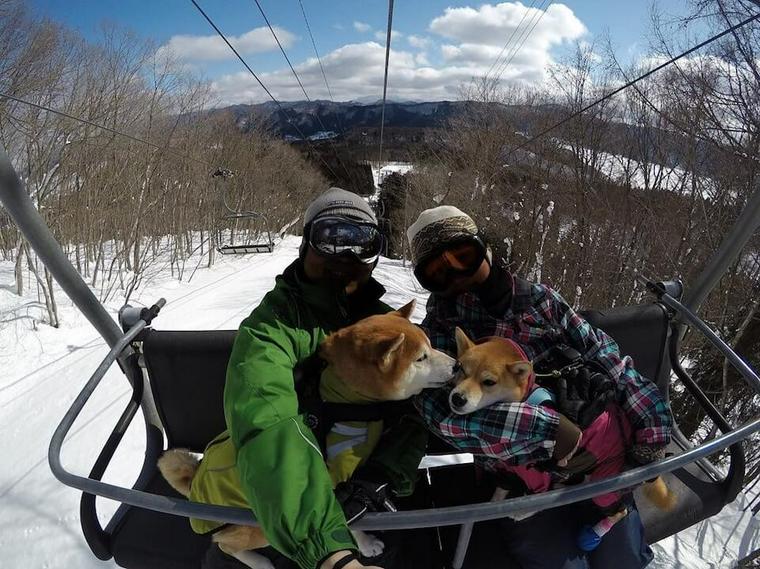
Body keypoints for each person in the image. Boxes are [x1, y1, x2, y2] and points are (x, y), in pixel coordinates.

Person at [407, 205, 673, 569]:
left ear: (484, 249)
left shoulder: (538, 303)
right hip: (519, 471)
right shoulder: (440, 329)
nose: (455, 275)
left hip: (596, 453)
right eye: (436, 272)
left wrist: (650, 430)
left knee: (622, 555)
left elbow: (605, 355)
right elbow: (440, 413)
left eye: (462, 256)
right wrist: (548, 433)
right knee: (560, 561)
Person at [219, 188, 428, 569]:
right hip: (292, 500)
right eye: (331, 238)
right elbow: (267, 419)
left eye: (362, 244)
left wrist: (383, 472)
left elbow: (420, 407)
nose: (346, 258)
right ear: (305, 245)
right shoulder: (272, 328)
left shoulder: (385, 325)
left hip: (366, 484)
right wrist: (330, 551)